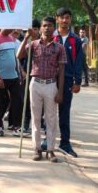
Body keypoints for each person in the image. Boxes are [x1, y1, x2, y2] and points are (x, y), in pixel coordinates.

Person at [18, 17, 65, 162]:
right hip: (36, 84)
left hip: (51, 84)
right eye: (44, 26)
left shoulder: (59, 47)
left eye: (50, 25)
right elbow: (19, 55)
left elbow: (62, 71)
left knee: (51, 118)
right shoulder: (33, 45)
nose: (47, 28)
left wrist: (60, 91)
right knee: (36, 117)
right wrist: (26, 38)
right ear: (40, 28)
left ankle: (50, 150)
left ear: (54, 28)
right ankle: (37, 148)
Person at [53, 7, 84, 157]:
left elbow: (78, 61)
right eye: (62, 17)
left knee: (64, 113)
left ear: (70, 19)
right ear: (57, 19)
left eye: (67, 17)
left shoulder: (75, 40)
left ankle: (65, 143)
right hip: (50, 79)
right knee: (48, 112)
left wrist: (77, 81)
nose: (65, 20)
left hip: (67, 80)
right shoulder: (51, 37)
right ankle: (47, 141)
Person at [0, 28, 23, 136]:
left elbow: (14, 58)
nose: (12, 28)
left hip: (13, 76)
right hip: (1, 77)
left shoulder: (11, 39)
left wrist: (19, 73)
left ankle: (16, 126)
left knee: (18, 101)